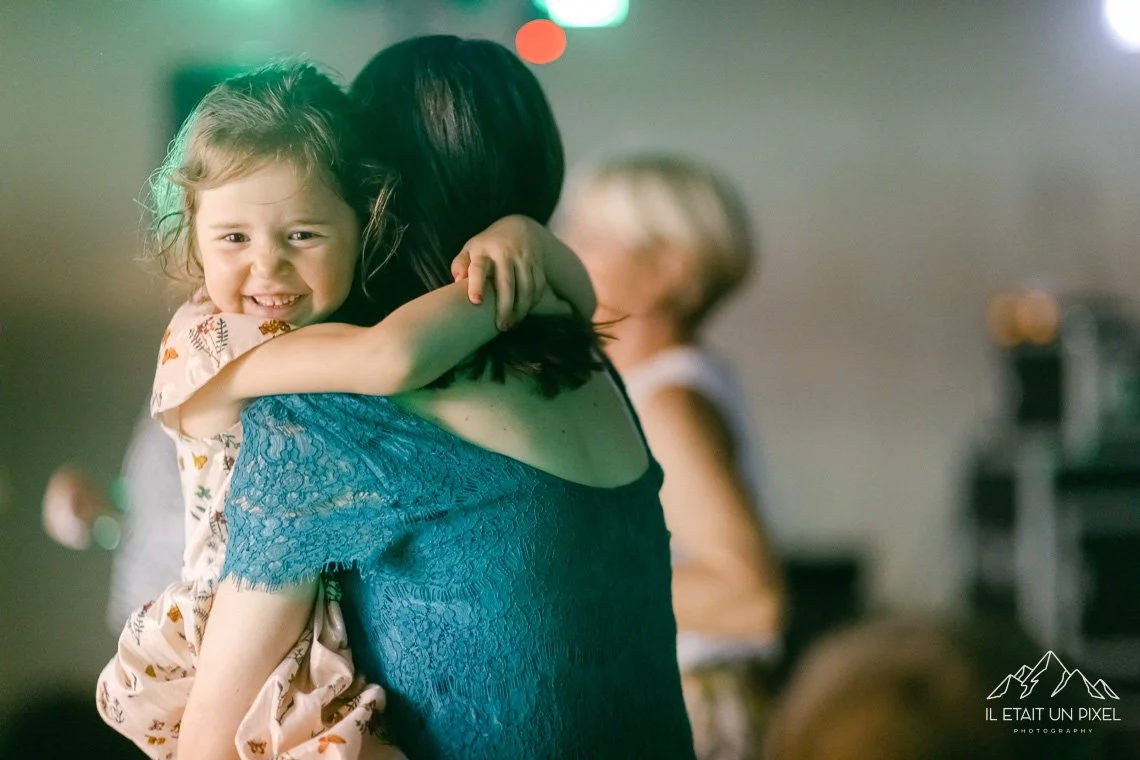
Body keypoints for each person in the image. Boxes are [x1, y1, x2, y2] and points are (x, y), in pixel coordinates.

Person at [182, 36, 697, 760]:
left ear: (371, 191)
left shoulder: (337, 419)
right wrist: (533, 250)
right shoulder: (590, 369)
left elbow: (208, 742)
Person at [95, 61, 591, 759]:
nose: (267, 268)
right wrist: (524, 271)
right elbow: (391, 359)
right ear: (193, 234)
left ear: (365, 226)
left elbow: (587, 306)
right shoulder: (212, 340)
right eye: (233, 238)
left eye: (302, 235)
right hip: (242, 645)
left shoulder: (310, 336)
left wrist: (531, 244)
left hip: (312, 632)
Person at [557, 154, 787, 759]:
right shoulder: (660, 384)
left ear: (667, 269)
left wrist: (564, 583)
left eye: (592, 237)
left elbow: (751, 598)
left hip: (693, 711)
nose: (566, 250)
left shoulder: (666, 401)